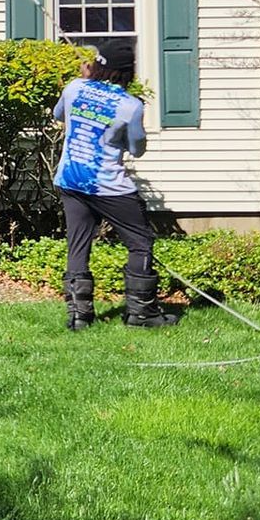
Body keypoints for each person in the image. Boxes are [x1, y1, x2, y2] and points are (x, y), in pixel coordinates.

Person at [52, 41, 177, 329]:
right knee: (140, 242)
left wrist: (83, 84)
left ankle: (79, 317)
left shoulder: (74, 88)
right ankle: (141, 314)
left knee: (78, 244)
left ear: (96, 64)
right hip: (109, 186)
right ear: (127, 73)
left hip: (70, 179)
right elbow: (137, 149)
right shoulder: (131, 106)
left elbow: (59, 116)